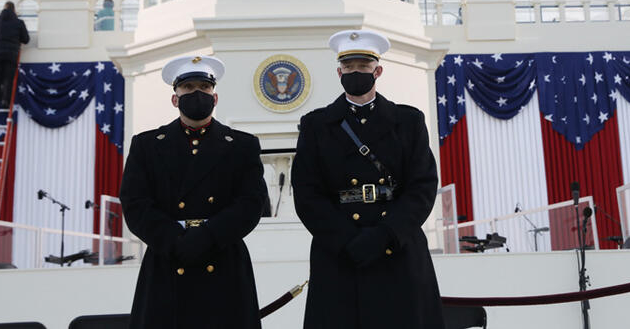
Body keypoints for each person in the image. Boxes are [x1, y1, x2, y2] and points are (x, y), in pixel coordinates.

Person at [291, 29, 444, 329]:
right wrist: (347, 239)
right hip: (339, 254)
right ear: (339, 72)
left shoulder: (408, 121)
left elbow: (422, 187)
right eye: (349, 67)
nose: (356, 72)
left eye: (363, 66)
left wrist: (385, 234)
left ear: (378, 70)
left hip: (397, 249)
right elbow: (307, 194)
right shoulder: (316, 125)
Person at [120, 55, 267, 329]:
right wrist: (175, 240)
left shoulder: (241, 145)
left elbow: (251, 203)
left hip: (223, 259)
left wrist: (208, 236)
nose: (197, 93)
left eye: (204, 87)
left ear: (215, 96)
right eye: (188, 88)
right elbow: (135, 204)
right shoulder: (147, 146)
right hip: (168, 259)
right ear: (175, 99)